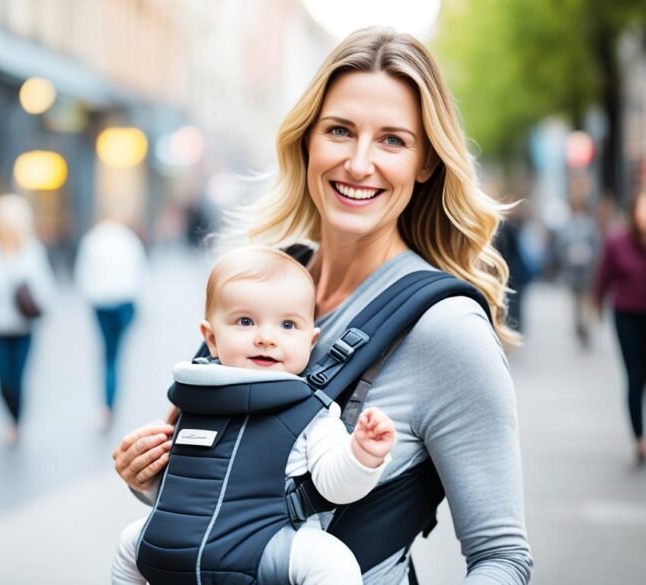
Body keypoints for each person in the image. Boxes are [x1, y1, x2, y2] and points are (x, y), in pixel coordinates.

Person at [112, 27, 532, 584]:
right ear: (308, 139)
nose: (359, 164)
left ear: (426, 163)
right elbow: (224, 504)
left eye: (392, 140)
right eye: (340, 131)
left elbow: (502, 559)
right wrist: (151, 479)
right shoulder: (262, 291)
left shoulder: (445, 329)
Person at [112, 246, 396, 585]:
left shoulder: (311, 413)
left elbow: (333, 486)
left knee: (334, 562)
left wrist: (362, 454)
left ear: (311, 339)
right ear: (212, 339)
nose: (266, 337)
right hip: (181, 538)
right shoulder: (195, 401)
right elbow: (175, 491)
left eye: (288, 324)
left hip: (266, 542)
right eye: (245, 321)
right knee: (130, 542)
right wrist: (145, 474)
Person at [0, 194, 54, 444]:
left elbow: (45, 290)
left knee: (17, 379)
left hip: (24, 327)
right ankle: (11, 416)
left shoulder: (31, 251)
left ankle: (16, 421)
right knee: (2, 381)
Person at [74, 214, 148, 429]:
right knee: (116, 354)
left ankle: (107, 404)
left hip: (102, 303)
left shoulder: (92, 239)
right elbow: (140, 272)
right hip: (125, 302)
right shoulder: (127, 239)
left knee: (109, 354)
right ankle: (110, 400)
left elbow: (82, 275)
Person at [593, 190, 646, 464]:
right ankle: (639, 438)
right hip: (626, 315)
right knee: (635, 376)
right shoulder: (617, 243)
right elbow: (604, 277)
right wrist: (597, 303)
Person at [557, 190, 601, 347]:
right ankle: (579, 326)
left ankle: (586, 326)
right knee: (576, 300)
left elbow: (596, 244)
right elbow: (561, 245)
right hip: (572, 270)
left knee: (585, 300)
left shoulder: (589, 224)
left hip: (587, 269)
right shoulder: (567, 225)